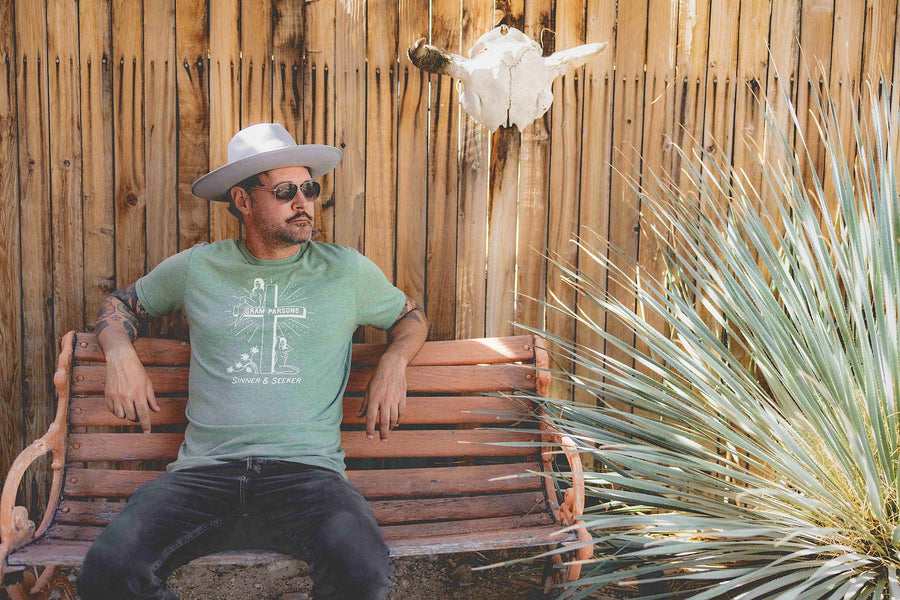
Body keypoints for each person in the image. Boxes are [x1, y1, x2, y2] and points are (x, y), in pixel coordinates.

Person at [77, 123, 427, 600]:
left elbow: (411, 318)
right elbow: (120, 306)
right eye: (285, 191)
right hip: (204, 475)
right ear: (243, 201)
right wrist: (118, 351)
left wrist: (394, 362)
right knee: (108, 571)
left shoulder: (345, 271)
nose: (303, 202)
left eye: (309, 188)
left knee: (363, 572)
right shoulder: (198, 268)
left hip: (307, 476)